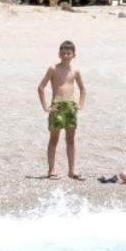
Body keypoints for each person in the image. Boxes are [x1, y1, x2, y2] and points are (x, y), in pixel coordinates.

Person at [37, 40, 87, 180]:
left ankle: (72, 170)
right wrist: (45, 106)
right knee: (54, 139)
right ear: (59, 54)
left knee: (70, 139)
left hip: (70, 107)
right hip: (57, 106)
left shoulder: (75, 71)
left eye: (68, 53)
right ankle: (51, 170)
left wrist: (80, 104)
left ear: (73, 55)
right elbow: (41, 87)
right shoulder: (53, 68)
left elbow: (83, 89)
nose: (66, 56)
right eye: (63, 53)